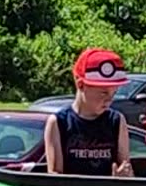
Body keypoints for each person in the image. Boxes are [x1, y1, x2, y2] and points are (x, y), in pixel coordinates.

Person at [43, 48, 134, 177]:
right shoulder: (59, 122)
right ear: (81, 85)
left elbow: (125, 166)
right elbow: (55, 175)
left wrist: (124, 176)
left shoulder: (117, 120)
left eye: (114, 92)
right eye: (103, 92)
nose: (109, 100)